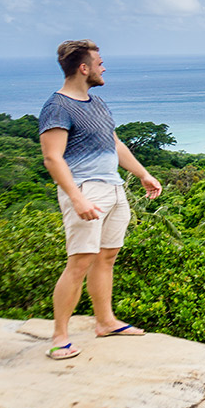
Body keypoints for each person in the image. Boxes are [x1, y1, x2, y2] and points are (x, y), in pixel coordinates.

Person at [38, 40, 162, 360]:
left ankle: (105, 322)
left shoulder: (98, 102)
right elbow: (53, 158)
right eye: (99, 62)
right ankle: (59, 336)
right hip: (86, 188)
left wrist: (142, 174)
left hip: (113, 187)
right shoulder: (58, 107)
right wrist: (77, 199)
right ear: (84, 68)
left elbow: (115, 143)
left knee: (107, 257)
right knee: (80, 261)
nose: (103, 67)